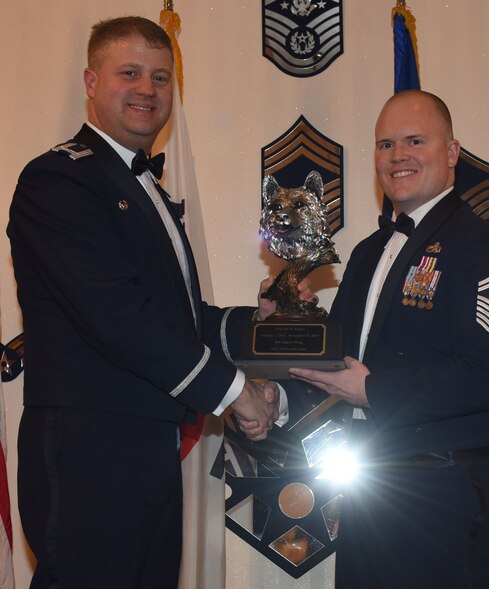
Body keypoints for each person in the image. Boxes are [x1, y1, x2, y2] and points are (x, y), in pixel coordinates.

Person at [7, 16, 313, 588]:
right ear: (91, 82)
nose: (147, 89)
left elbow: (178, 319)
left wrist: (259, 325)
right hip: (89, 449)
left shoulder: (143, 189)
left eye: (161, 77)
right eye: (129, 73)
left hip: (147, 447)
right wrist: (236, 393)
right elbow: (119, 317)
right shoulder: (58, 180)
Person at [286, 90, 489, 588]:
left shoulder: (487, 244)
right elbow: (337, 359)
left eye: (415, 141)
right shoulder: (367, 252)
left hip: (442, 491)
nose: (398, 156)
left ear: (452, 152)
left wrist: (372, 390)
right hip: (368, 490)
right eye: (386, 144)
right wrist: (285, 333)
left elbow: (488, 375)